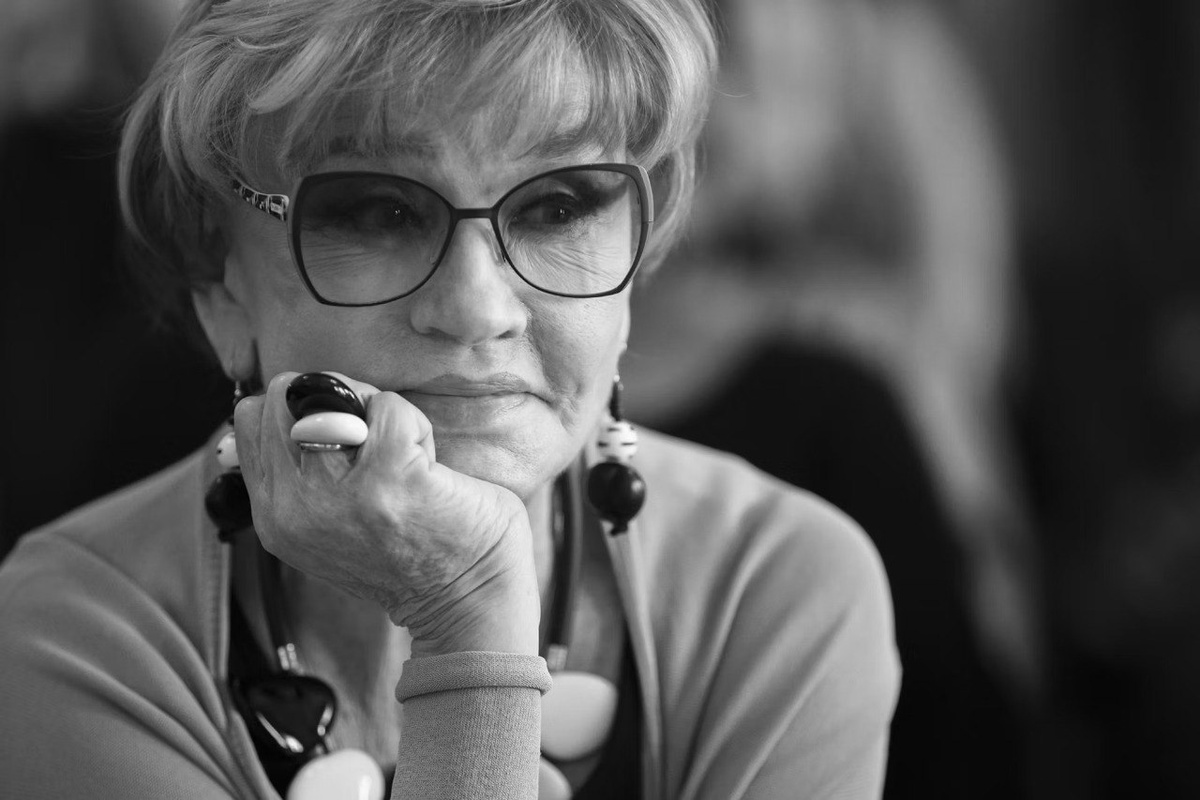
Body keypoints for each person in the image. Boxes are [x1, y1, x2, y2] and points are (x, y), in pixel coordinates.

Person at [0, 1, 899, 798]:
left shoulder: (777, 588)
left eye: (559, 206)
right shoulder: (74, 633)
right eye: (379, 213)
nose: (477, 308)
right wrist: (466, 613)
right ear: (220, 273)